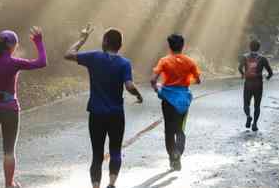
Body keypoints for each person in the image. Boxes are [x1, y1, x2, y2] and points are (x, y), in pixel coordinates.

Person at [64, 24, 143, 188]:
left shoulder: (94, 57)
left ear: (106, 41)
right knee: (115, 151)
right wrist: (138, 95)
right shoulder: (124, 63)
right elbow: (129, 86)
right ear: (120, 45)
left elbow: (69, 54)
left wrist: (81, 39)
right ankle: (112, 183)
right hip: (116, 115)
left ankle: (96, 186)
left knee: (97, 154)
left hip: (96, 113)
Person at [0, 27, 47, 188]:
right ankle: (9, 184)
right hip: (10, 109)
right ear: (13, 46)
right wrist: (39, 42)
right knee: (9, 150)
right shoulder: (15, 63)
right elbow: (42, 62)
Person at [150, 34, 201, 171]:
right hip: (183, 100)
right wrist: (186, 81)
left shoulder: (164, 61)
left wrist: (157, 89)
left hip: (167, 99)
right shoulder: (189, 62)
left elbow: (153, 80)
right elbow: (198, 79)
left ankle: (173, 158)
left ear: (169, 46)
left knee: (168, 130)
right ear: (182, 46)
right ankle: (178, 152)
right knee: (180, 129)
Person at [238, 39, 273, 132]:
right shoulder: (263, 59)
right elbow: (270, 72)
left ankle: (248, 116)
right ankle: (255, 124)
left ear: (250, 47)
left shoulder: (244, 57)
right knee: (257, 106)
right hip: (258, 84)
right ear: (259, 48)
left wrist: (242, 74)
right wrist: (267, 78)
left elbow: (239, 68)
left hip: (248, 84)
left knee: (246, 104)